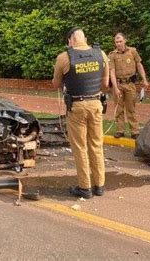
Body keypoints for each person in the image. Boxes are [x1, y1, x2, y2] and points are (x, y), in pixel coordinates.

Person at [52, 27, 109, 199]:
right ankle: (99, 186)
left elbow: (56, 84)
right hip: (96, 104)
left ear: (70, 40)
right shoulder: (101, 54)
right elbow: (105, 84)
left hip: (77, 107)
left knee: (80, 147)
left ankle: (85, 188)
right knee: (96, 145)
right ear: (85, 38)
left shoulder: (64, 57)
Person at [108, 33, 149, 139]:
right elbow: (111, 72)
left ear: (125, 40)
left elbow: (139, 65)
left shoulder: (132, 51)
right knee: (119, 109)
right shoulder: (112, 55)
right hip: (118, 84)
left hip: (130, 84)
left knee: (131, 108)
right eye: (116, 42)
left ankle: (134, 131)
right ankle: (120, 130)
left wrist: (144, 79)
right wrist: (115, 88)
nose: (118, 44)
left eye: (120, 41)